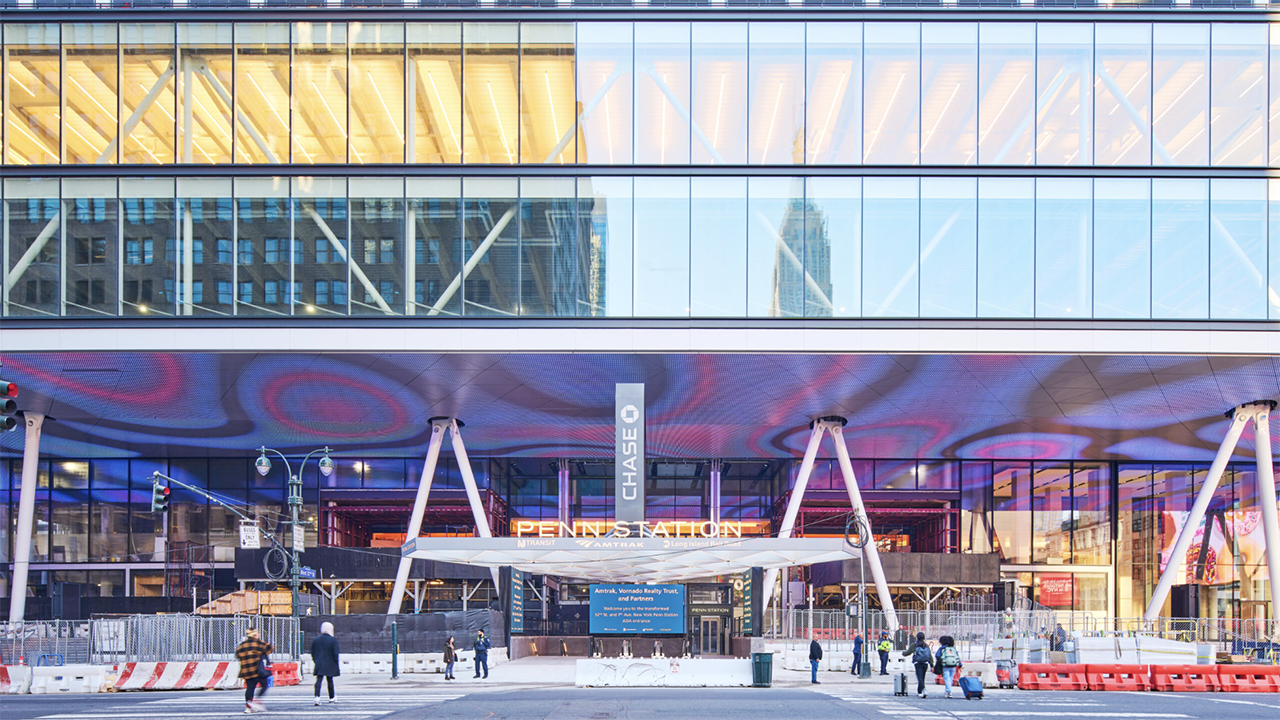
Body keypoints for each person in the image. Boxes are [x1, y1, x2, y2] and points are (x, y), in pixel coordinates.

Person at [235, 628, 273, 714]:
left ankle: (248, 707)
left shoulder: (241, 645)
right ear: (255, 634)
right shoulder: (258, 643)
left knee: (250, 688)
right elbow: (269, 648)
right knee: (264, 685)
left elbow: (237, 655)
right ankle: (256, 701)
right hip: (257, 670)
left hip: (246, 670)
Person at [310, 621, 340, 706]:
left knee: (318, 680)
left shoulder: (316, 640)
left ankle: (317, 697)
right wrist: (335, 663)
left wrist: (316, 661)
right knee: (330, 681)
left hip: (319, 663)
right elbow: (335, 653)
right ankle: (332, 697)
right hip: (330, 663)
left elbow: (313, 652)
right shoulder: (333, 640)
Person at [902, 632, 931, 698]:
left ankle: (924, 689)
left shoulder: (914, 645)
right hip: (925, 663)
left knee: (919, 677)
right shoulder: (926, 645)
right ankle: (919, 691)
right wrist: (932, 664)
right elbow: (930, 655)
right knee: (922, 677)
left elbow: (908, 652)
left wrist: (903, 653)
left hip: (918, 663)